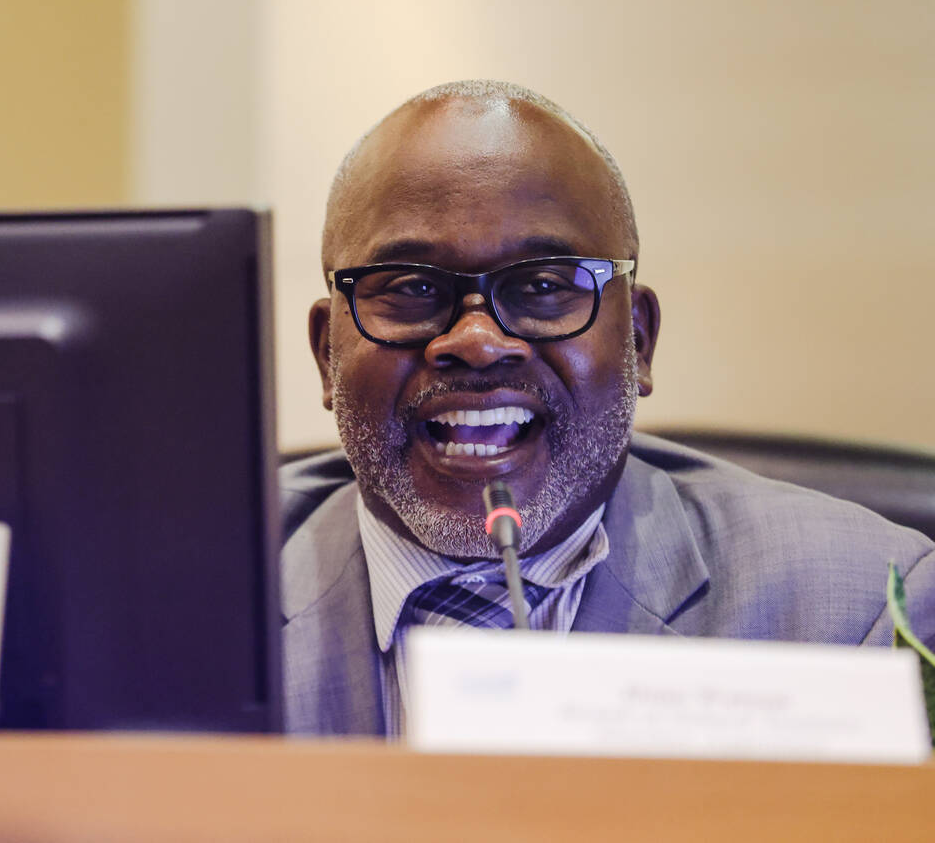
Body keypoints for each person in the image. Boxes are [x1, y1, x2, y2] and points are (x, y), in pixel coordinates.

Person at [280, 80, 935, 737]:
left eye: (541, 286)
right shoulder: (188, 595)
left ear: (639, 341)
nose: (475, 341)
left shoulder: (859, 612)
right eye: (413, 287)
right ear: (325, 354)